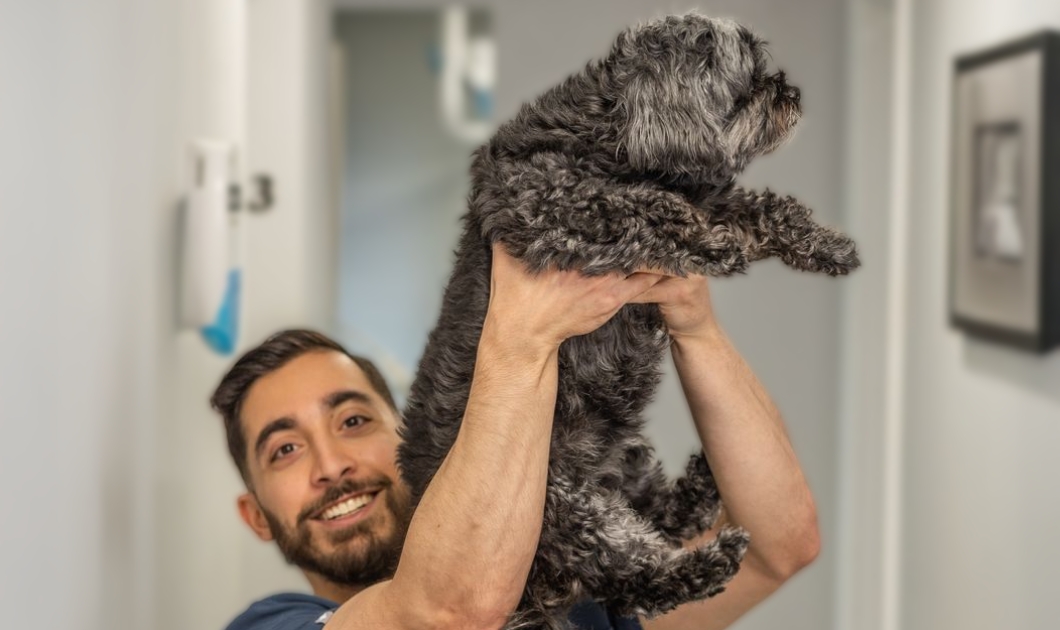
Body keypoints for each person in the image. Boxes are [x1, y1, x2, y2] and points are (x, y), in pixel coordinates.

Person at [212, 244, 820, 630]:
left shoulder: (572, 593)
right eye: (284, 449)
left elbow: (773, 547)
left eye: (353, 421)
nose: (331, 464)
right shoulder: (274, 626)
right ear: (257, 516)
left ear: (408, 439)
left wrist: (693, 322)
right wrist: (520, 338)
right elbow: (448, 614)